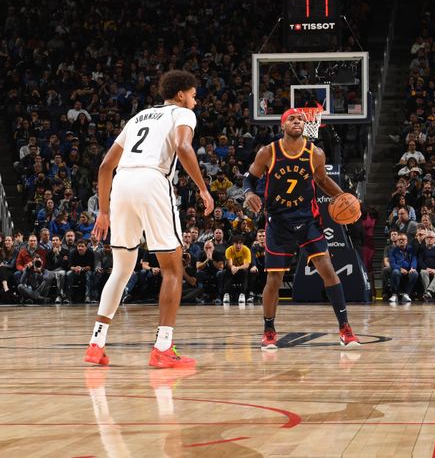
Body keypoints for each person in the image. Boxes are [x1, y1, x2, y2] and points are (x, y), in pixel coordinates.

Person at [85, 70, 214, 368]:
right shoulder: (182, 114)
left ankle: (96, 344)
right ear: (181, 95)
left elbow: (105, 166)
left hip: (122, 184)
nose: (195, 102)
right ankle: (163, 348)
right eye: (193, 95)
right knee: (172, 269)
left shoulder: (139, 117)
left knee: (121, 270)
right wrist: (203, 189)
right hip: (152, 181)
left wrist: (103, 211)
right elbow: (183, 147)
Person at [243, 108, 360, 349]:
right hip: (278, 222)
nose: (297, 122)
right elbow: (249, 179)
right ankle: (269, 330)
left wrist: (347, 200)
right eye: (292, 119)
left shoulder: (315, 153)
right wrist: (248, 193)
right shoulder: (268, 152)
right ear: (282, 125)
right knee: (274, 279)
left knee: (327, 269)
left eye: (300, 119)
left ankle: (345, 328)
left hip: (308, 220)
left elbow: (322, 180)